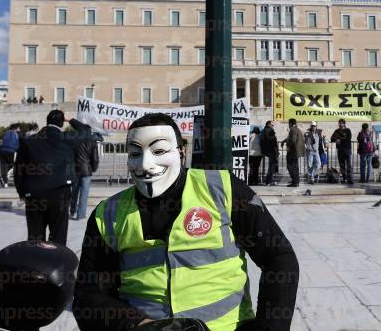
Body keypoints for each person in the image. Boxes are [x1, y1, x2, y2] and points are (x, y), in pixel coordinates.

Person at [72, 113, 299, 331]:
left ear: (181, 151)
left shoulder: (223, 190)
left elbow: (279, 258)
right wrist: (137, 325)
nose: (145, 164)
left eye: (159, 150)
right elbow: (89, 296)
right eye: (134, 153)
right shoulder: (108, 214)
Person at [14, 110, 102, 245]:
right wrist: (71, 119)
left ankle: (36, 263)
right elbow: (86, 132)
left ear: (47, 121)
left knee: (35, 235)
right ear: (61, 123)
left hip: (34, 193)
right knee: (58, 233)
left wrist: (21, 192)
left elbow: (19, 169)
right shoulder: (65, 138)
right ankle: (56, 262)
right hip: (59, 191)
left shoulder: (28, 141)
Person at [70, 138, 100, 220]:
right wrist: (93, 169)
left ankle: (72, 211)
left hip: (75, 169)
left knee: (74, 191)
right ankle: (81, 215)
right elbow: (95, 158)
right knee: (84, 193)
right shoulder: (92, 141)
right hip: (87, 170)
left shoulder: (75, 139)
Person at [283, 118, 305, 187]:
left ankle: (295, 181)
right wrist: (284, 141)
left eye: (288, 123)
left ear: (290, 123)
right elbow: (290, 138)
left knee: (290, 166)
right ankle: (295, 181)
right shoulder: (297, 129)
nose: (288, 125)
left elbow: (292, 140)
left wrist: (288, 146)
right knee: (295, 167)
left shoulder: (293, 129)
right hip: (295, 151)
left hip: (293, 151)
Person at [331, 119, 353, 184]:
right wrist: (336, 139)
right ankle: (344, 178)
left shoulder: (348, 130)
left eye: (341, 123)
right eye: (339, 123)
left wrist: (339, 140)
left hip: (347, 150)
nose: (340, 124)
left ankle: (350, 179)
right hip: (340, 150)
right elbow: (332, 138)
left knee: (349, 165)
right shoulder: (336, 131)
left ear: (344, 124)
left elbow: (348, 139)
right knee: (342, 165)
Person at [0, 124, 20, 188]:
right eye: (19, 128)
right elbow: (18, 143)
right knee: (14, 166)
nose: (19, 129)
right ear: (16, 128)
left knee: (4, 167)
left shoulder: (6, 133)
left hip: (2, 151)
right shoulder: (16, 134)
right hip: (11, 151)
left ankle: (5, 183)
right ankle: (1, 179)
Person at [260, 121, 279, 186]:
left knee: (271, 165)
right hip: (271, 150)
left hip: (266, 151)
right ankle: (269, 181)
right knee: (272, 166)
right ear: (269, 124)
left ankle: (268, 180)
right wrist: (276, 151)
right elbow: (273, 141)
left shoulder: (263, 131)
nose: (273, 126)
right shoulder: (270, 131)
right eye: (272, 125)